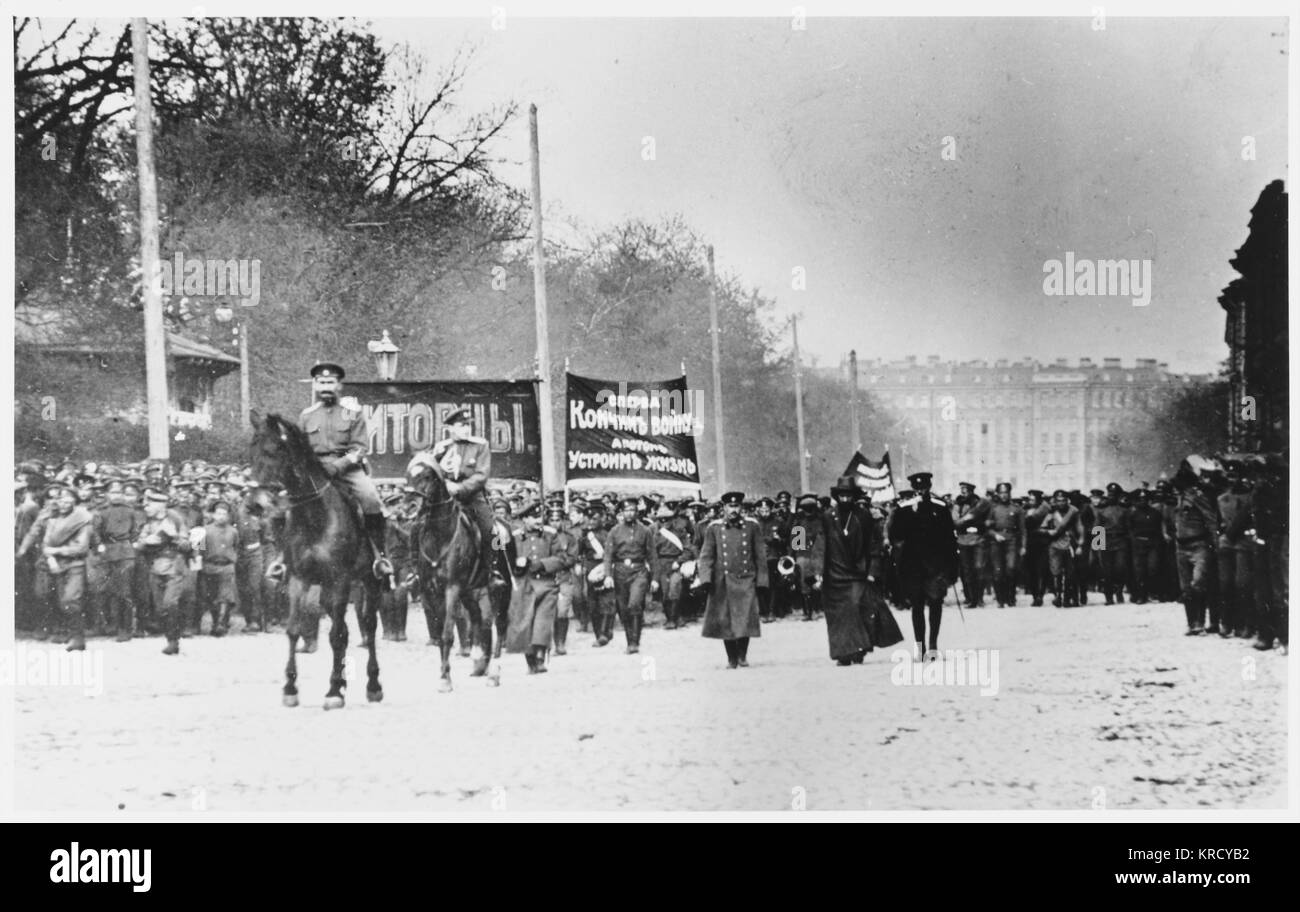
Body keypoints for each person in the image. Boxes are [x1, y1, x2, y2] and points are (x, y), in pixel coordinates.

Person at [299, 361, 395, 584]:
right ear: (314, 385)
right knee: (287, 502)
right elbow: (301, 448)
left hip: (347, 469)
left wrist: (338, 466)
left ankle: (380, 555)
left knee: (371, 497)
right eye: (321, 382)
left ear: (339, 385)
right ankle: (283, 559)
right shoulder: (306, 415)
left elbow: (360, 448)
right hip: (315, 470)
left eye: (330, 382)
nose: (325, 387)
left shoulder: (353, 413)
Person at [888, 472, 958, 661]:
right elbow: (895, 534)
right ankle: (921, 647)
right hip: (913, 566)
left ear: (929, 487)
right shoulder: (904, 508)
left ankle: (933, 645)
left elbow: (950, 539)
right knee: (917, 606)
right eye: (918, 489)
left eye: (924, 488)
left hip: (936, 566)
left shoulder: (940, 507)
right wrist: (912, 512)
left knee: (936, 604)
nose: (921, 491)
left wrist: (952, 568)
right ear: (913, 489)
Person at [817, 477, 885, 665]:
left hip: (857, 573)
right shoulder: (827, 517)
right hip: (833, 573)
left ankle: (859, 649)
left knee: (857, 609)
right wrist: (815, 572)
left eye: (848, 495)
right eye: (842, 495)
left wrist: (873, 570)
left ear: (854, 496)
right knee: (838, 616)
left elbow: (873, 544)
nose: (845, 499)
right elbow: (818, 545)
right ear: (837, 496)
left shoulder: (863, 516)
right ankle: (843, 653)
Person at [694, 491, 765, 668]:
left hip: (746, 577)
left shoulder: (753, 526)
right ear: (724, 508)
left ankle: (742, 655)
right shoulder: (714, 528)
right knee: (725, 620)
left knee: (744, 618)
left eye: (737, 506)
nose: (734, 510)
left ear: (742, 507)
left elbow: (760, 555)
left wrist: (762, 580)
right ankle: (731, 658)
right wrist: (705, 579)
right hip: (723, 580)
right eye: (730, 506)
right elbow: (706, 555)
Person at [506, 503, 574, 673]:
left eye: (539, 517)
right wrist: (517, 565)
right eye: (533, 518)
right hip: (524, 586)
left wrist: (541, 564)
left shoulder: (550, 535)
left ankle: (540, 657)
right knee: (526, 623)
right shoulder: (514, 537)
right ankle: (530, 661)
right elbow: (505, 558)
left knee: (542, 622)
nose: (538, 521)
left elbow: (562, 558)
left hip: (546, 584)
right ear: (524, 520)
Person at [134, 489, 191, 655]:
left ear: (161, 505)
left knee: (170, 603)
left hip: (174, 565)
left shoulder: (176, 519)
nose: (145, 506)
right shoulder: (148, 522)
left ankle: (173, 641)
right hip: (155, 567)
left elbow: (189, 545)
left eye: (149, 503)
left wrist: (173, 536)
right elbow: (138, 545)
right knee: (160, 609)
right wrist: (146, 542)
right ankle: (171, 638)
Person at [40, 484, 96, 652]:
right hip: (57, 565)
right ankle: (75, 638)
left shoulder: (82, 521)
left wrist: (55, 551)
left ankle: (78, 637)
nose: (63, 504)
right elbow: (45, 544)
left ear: (74, 502)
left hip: (75, 565)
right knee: (63, 603)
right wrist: (50, 559)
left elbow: (81, 548)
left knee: (71, 600)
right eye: (60, 500)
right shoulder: (52, 520)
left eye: (67, 500)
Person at [601, 497, 656, 653]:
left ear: (637, 512)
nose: (630, 513)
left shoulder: (645, 531)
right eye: (626, 511)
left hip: (639, 571)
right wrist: (608, 575)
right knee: (623, 608)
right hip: (619, 572)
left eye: (632, 510)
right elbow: (608, 555)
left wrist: (655, 578)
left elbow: (652, 556)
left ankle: (634, 642)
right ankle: (629, 640)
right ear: (622, 513)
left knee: (635, 603)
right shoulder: (615, 531)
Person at [1172, 460, 1220, 635]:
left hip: (1198, 545)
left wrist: (1216, 546)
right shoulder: (1178, 499)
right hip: (1181, 546)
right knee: (1186, 588)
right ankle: (1192, 624)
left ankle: (1199, 622)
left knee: (1198, 584)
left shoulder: (1197, 496)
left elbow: (1211, 521)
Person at [95, 479, 142, 641]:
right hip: (107, 551)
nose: (116, 495)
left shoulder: (129, 511)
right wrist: (99, 544)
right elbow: (96, 532)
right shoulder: (101, 511)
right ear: (107, 494)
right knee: (106, 590)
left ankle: (125, 628)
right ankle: (110, 624)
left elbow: (135, 531)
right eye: (113, 492)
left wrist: (133, 544)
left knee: (125, 591)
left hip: (125, 551)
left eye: (119, 492)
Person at [197, 500, 241, 636]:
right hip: (209, 566)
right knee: (211, 596)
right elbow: (200, 549)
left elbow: (236, 547)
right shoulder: (205, 530)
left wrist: (232, 559)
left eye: (224, 514)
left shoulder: (233, 531)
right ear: (213, 515)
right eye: (218, 513)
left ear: (228, 516)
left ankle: (221, 624)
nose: (221, 516)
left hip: (227, 567)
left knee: (225, 596)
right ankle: (216, 621)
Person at [650, 501, 695, 630]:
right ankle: (670, 617)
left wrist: (679, 561)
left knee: (675, 589)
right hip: (662, 565)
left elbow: (688, 549)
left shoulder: (680, 532)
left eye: (667, 520)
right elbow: (653, 552)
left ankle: (674, 618)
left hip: (676, 564)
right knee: (665, 593)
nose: (665, 522)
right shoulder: (657, 534)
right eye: (662, 520)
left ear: (672, 519)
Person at [986, 482, 1026, 608]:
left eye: (1006, 493)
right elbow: (987, 528)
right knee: (998, 572)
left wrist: (1023, 546)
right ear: (997, 494)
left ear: (1010, 493)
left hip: (1012, 541)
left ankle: (1011, 597)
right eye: (1001, 493)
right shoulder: (993, 509)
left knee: (1011, 569)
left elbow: (1023, 530)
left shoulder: (1017, 509)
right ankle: (1000, 599)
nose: (1004, 495)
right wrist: (995, 535)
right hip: (996, 542)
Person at [952, 481, 990, 608]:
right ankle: (971, 598)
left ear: (971, 491)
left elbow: (987, 520)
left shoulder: (981, 503)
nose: (963, 491)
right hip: (963, 540)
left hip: (978, 539)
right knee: (967, 570)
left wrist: (976, 525)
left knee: (979, 568)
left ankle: (979, 598)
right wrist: (966, 521)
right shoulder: (958, 504)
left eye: (966, 489)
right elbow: (955, 521)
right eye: (962, 489)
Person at [1041, 490, 1082, 607]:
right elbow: (1041, 528)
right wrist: (1049, 532)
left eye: (1064, 500)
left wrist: (1082, 545)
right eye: (1058, 500)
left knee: (1071, 573)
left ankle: (1073, 597)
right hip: (1055, 545)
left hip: (1070, 544)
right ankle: (1059, 596)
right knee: (1056, 572)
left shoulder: (1074, 511)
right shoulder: (1051, 513)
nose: (1061, 503)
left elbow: (1085, 527)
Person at [1095, 482, 1132, 605]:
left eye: (1114, 494)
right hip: (1105, 540)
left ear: (1118, 496)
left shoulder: (1124, 510)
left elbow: (1129, 528)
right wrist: (1098, 547)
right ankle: (1109, 596)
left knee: (1120, 568)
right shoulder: (1101, 511)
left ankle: (1119, 590)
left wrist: (1128, 543)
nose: (1111, 496)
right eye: (1109, 494)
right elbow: (1097, 528)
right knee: (1106, 571)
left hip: (1121, 541)